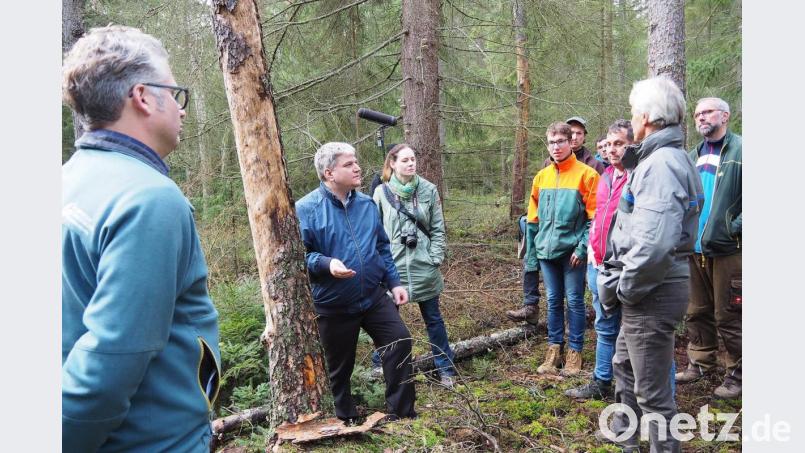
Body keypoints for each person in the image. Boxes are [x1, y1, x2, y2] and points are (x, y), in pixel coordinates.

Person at [62, 26, 221, 452]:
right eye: (175, 93)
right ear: (144, 96)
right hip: (154, 441)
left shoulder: (69, 180)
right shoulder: (148, 199)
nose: (182, 109)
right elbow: (109, 361)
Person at [597, 76, 704, 453]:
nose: (631, 118)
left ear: (646, 116)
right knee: (624, 368)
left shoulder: (662, 165)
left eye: (633, 112)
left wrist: (626, 288)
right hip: (646, 289)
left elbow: (655, 245)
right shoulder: (659, 158)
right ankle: (628, 442)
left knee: (654, 395)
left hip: (650, 291)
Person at [295, 142, 417, 423]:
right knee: (339, 368)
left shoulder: (365, 204)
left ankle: (402, 414)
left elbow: (381, 247)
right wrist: (327, 264)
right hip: (333, 303)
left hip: (373, 297)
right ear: (329, 173)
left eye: (356, 162)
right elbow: (301, 256)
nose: (358, 167)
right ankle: (344, 420)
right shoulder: (306, 209)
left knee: (399, 340)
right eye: (349, 164)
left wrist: (394, 282)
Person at [565, 120, 677, 400]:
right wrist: (592, 252)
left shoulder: (641, 176)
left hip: (629, 269)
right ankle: (601, 381)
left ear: (632, 145)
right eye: (609, 144)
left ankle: (658, 395)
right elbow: (598, 218)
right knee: (604, 325)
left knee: (642, 335)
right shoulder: (605, 178)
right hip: (600, 265)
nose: (612, 150)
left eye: (619, 144)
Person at [370, 144, 456, 387]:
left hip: (424, 265)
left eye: (413, 159)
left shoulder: (428, 189)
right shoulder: (380, 193)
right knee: (388, 322)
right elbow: (375, 233)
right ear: (393, 164)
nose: (411, 163)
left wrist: (435, 257)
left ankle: (445, 368)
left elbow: (438, 228)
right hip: (393, 268)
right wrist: (380, 266)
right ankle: (382, 365)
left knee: (434, 319)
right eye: (405, 160)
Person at [675, 97, 742, 399]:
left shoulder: (741, 151)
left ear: (725, 116)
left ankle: (738, 373)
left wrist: (734, 227)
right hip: (694, 247)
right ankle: (700, 362)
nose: (701, 117)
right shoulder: (691, 156)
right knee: (696, 309)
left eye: (708, 112)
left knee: (730, 313)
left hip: (729, 248)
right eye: (698, 113)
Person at [525, 122, 599, 376]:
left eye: (560, 142)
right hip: (546, 251)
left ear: (571, 143)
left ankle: (575, 352)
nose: (556, 147)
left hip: (573, 253)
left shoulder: (587, 174)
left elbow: (596, 218)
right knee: (553, 300)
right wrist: (533, 255)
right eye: (551, 142)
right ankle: (554, 349)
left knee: (575, 301)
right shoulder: (541, 176)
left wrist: (582, 248)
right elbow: (532, 221)